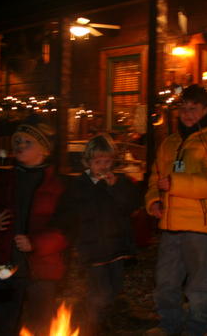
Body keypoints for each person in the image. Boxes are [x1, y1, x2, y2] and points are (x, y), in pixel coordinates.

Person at [144, 84, 207, 336]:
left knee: (197, 285)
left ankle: (197, 328)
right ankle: (169, 326)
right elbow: (156, 177)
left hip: (201, 225)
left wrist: (175, 184)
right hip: (170, 224)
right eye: (183, 108)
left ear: (206, 109)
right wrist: (153, 200)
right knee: (165, 282)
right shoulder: (169, 143)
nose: (187, 114)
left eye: (193, 108)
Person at [0, 116, 68, 336]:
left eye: (28, 142)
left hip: (43, 266)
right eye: (17, 141)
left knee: (39, 323)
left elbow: (67, 228)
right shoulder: (1, 180)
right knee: (2, 320)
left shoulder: (59, 185)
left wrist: (35, 243)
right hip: (1, 265)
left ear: (44, 149)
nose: (20, 146)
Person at [53, 133, 141, 335]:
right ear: (87, 162)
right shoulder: (78, 186)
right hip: (92, 250)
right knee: (98, 293)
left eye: (107, 161)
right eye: (97, 161)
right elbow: (66, 214)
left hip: (117, 248)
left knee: (114, 289)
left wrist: (115, 187)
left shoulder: (121, 182)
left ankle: (107, 323)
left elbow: (131, 206)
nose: (103, 166)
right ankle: (93, 327)